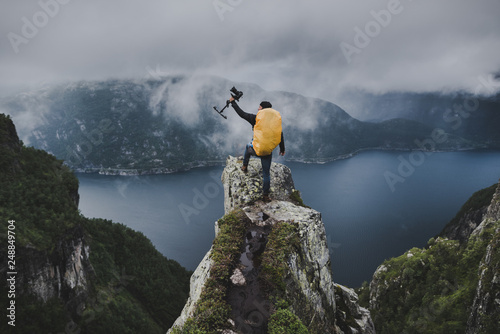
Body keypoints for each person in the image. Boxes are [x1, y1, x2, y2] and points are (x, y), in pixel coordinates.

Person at [229, 97, 285, 201]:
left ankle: (245, 166)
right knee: (266, 174)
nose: (258, 109)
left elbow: (242, 114)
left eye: (259, 107)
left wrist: (233, 102)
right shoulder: (275, 123)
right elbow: (280, 135)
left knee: (248, 145)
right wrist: (282, 149)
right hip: (267, 152)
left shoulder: (256, 119)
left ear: (262, 109)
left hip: (256, 149)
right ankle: (265, 195)